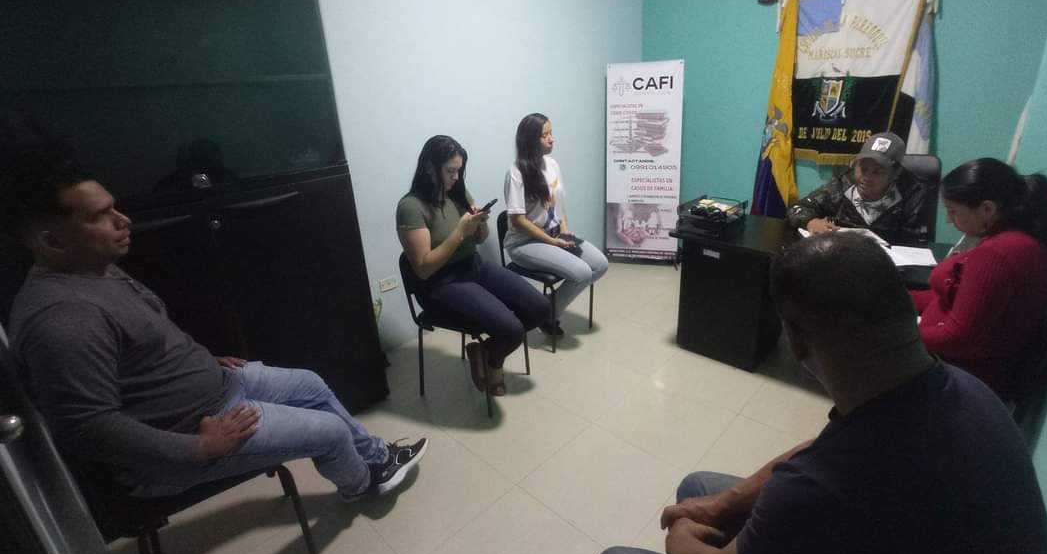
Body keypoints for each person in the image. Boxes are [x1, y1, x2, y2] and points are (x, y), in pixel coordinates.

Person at [592, 233, 1047, 554]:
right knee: (701, 488)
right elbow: (821, 447)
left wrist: (679, 537)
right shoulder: (963, 390)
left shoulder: (832, 489)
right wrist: (724, 503)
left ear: (794, 338)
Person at [2, 154, 426, 501]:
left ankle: (377, 457)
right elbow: (86, 429)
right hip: (191, 434)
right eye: (100, 216)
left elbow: (147, 343)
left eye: (114, 207)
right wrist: (198, 448)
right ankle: (363, 485)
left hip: (217, 386)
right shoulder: (61, 320)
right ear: (52, 241)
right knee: (330, 432)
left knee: (311, 384)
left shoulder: (95, 269)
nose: (123, 219)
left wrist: (204, 359)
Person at [397, 135, 547, 396]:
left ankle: (484, 350)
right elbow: (423, 268)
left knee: (541, 308)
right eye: (450, 171)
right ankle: (494, 362)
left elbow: (480, 239)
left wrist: (479, 224)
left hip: (473, 266)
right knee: (511, 330)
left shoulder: (457, 193)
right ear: (429, 167)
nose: (456, 177)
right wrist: (459, 232)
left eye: (459, 170)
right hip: (440, 282)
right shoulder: (411, 207)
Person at [911, 158, 1047, 398]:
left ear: (987, 209)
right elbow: (955, 297)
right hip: (958, 368)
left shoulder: (997, 255)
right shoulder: (1016, 241)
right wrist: (896, 298)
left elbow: (958, 338)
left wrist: (893, 338)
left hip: (957, 380)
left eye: (953, 210)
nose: (948, 220)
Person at [503, 113, 608, 335]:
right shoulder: (516, 173)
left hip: (554, 235)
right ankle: (549, 314)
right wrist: (552, 241)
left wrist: (565, 233)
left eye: (551, 133)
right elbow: (517, 220)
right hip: (524, 243)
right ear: (530, 140)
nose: (552, 139)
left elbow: (559, 207)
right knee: (582, 272)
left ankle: (546, 307)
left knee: (600, 264)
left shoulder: (552, 165)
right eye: (545, 135)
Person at [786, 131, 930, 245]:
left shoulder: (912, 194)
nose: (867, 177)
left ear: (896, 173)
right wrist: (811, 222)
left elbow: (915, 244)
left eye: (877, 172)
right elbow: (797, 208)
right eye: (863, 168)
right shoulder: (842, 185)